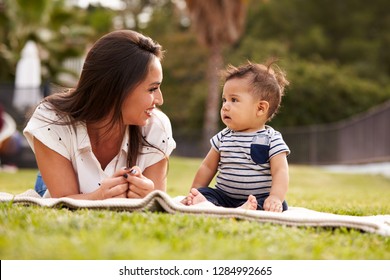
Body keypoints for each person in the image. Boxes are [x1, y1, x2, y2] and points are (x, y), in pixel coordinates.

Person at [23, 29, 176, 199]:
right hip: (56, 175)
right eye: (152, 89)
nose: (160, 100)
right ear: (117, 87)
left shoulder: (157, 127)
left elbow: (159, 202)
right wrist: (99, 196)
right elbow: (61, 201)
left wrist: (149, 196)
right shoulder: (51, 119)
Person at [184, 60, 290, 212]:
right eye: (224, 100)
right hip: (224, 196)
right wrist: (194, 192)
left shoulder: (271, 138)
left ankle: (249, 207)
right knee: (206, 193)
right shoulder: (223, 137)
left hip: (257, 197)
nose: (225, 106)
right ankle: (203, 201)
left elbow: (280, 171)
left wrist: (275, 197)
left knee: (278, 205)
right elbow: (207, 167)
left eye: (234, 100)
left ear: (260, 108)